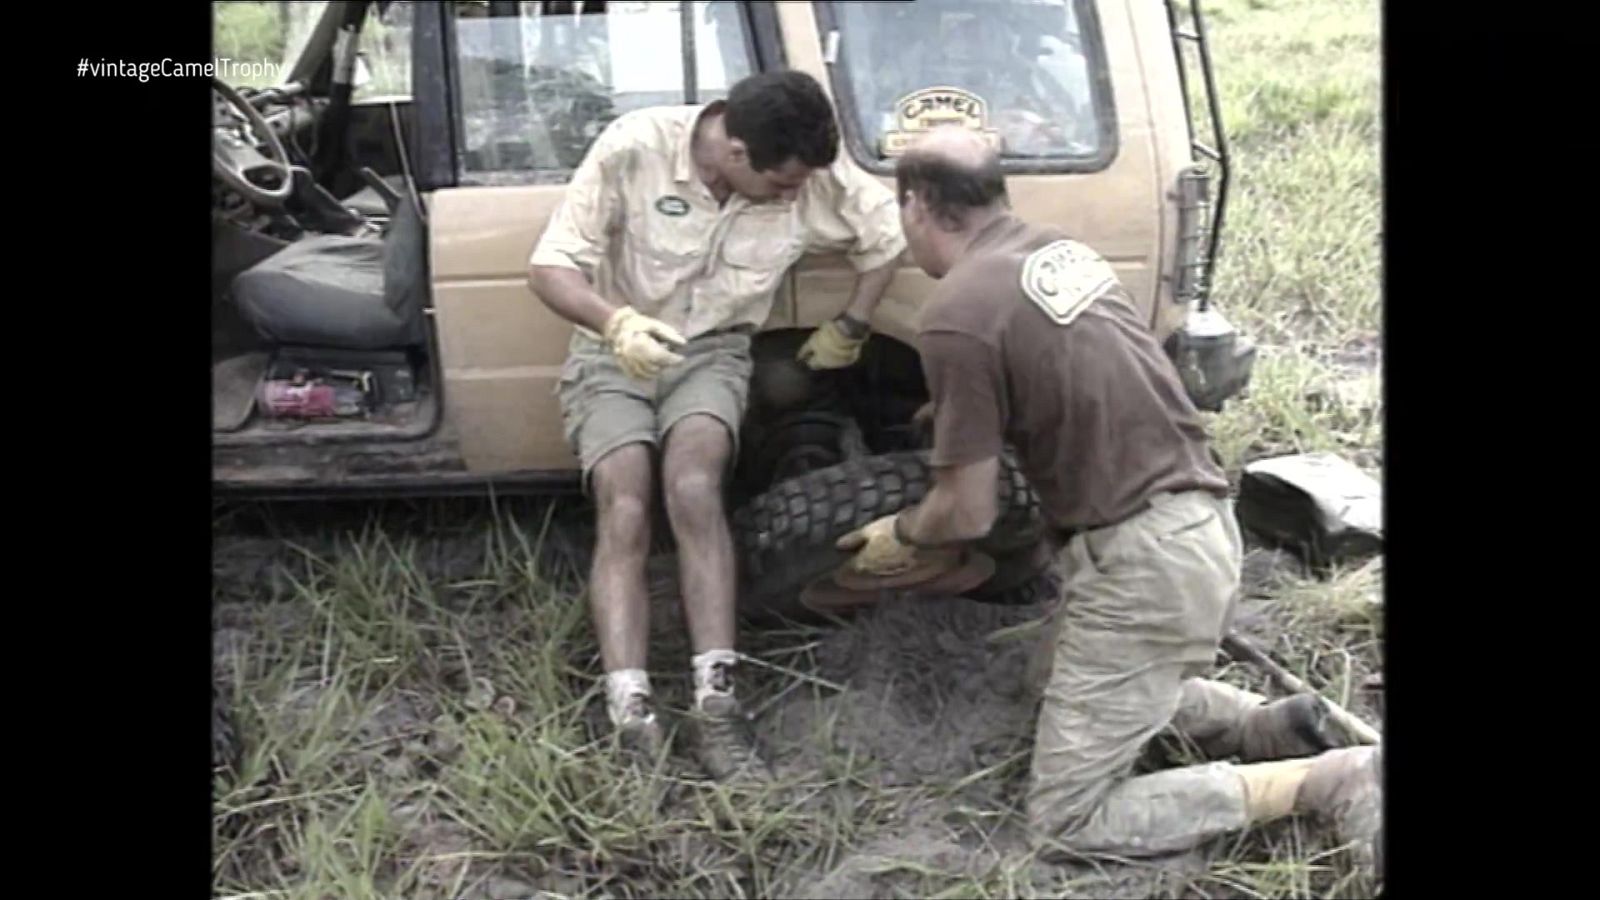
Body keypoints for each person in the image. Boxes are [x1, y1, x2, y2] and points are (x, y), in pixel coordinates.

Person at [835, 127, 1383, 880]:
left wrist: (901, 534)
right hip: (1195, 520)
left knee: (1068, 820)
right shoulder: (1057, 252)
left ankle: (1318, 782)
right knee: (1053, 682)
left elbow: (965, 515)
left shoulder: (956, 310)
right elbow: (1071, 366)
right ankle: (1268, 724)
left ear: (918, 203)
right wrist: (974, 414)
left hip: (1144, 566)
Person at [527, 70, 907, 782]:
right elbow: (549, 268)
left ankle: (717, 704)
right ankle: (630, 713)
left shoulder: (804, 165)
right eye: (783, 184)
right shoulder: (634, 148)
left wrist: (852, 325)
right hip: (615, 352)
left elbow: (887, 238)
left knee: (695, 488)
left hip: (713, 352)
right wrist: (617, 323)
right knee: (626, 501)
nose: (796, 196)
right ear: (734, 152)